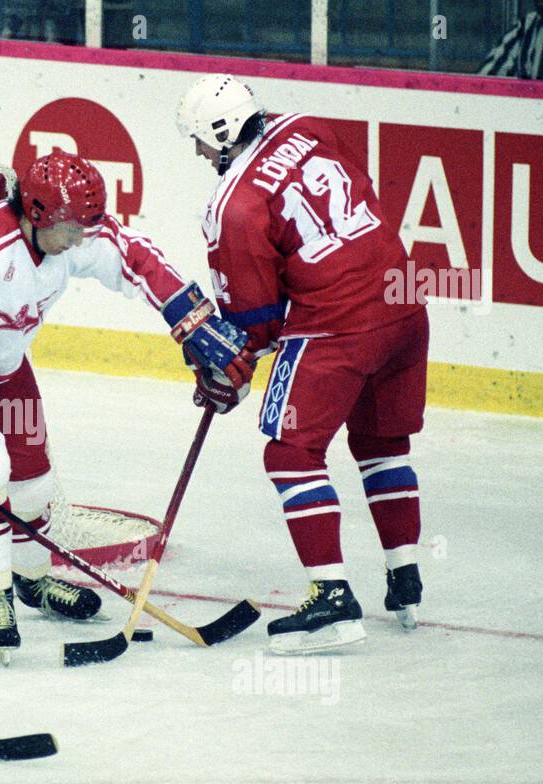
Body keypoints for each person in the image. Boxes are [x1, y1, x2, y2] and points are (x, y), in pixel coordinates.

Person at [0, 148, 254, 661]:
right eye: (74, 228)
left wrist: (193, 319)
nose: (83, 239)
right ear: (36, 213)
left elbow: (133, 256)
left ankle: (32, 582)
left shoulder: (65, 234)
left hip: (2, 366)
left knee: (34, 483)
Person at [176, 74, 430, 655]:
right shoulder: (309, 125)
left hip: (339, 325)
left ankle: (334, 599)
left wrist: (226, 370)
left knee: (290, 452)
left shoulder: (232, 206)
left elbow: (259, 322)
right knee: (382, 443)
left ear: (218, 132)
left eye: (198, 139)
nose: (197, 152)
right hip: (405, 302)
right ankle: (406, 576)